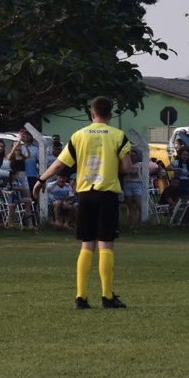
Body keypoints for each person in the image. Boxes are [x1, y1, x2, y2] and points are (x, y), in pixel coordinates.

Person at [33, 95, 132, 309]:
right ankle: (107, 297)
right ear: (111, 114)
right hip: (107, 195)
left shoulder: (79, 135)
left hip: (85, 195)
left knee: (87, 244)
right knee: (106, 243)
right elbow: (126, 167)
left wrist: (41, 180)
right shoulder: (118, 136)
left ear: (91, 114)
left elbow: (59, 164)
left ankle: (81, 297)